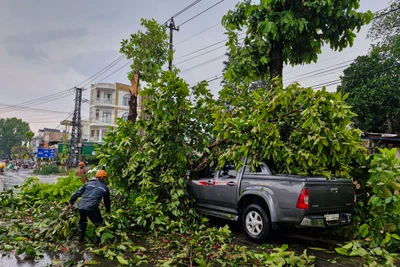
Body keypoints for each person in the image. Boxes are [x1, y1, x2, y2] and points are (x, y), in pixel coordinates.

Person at [69, 170, 110, 244]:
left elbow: (77, 193)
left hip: (81, 205)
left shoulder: (88, 184)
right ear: (104, 178)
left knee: (82, 222)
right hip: (92, 207)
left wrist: (71, 202)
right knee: (99, 224)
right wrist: (108, 211)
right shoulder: (105, 188)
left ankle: (80, 240)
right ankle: (97, 242)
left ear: (96, 178)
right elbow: (107, 202)